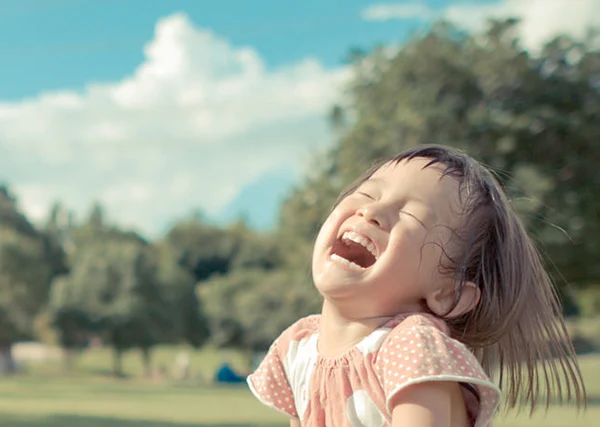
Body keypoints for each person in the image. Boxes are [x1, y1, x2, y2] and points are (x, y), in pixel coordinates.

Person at [246, 145, 586, 426]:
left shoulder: (413, 348)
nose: (372, 211)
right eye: (367, 194)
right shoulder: (298, 347)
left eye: (411, 215)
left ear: (448, 294)